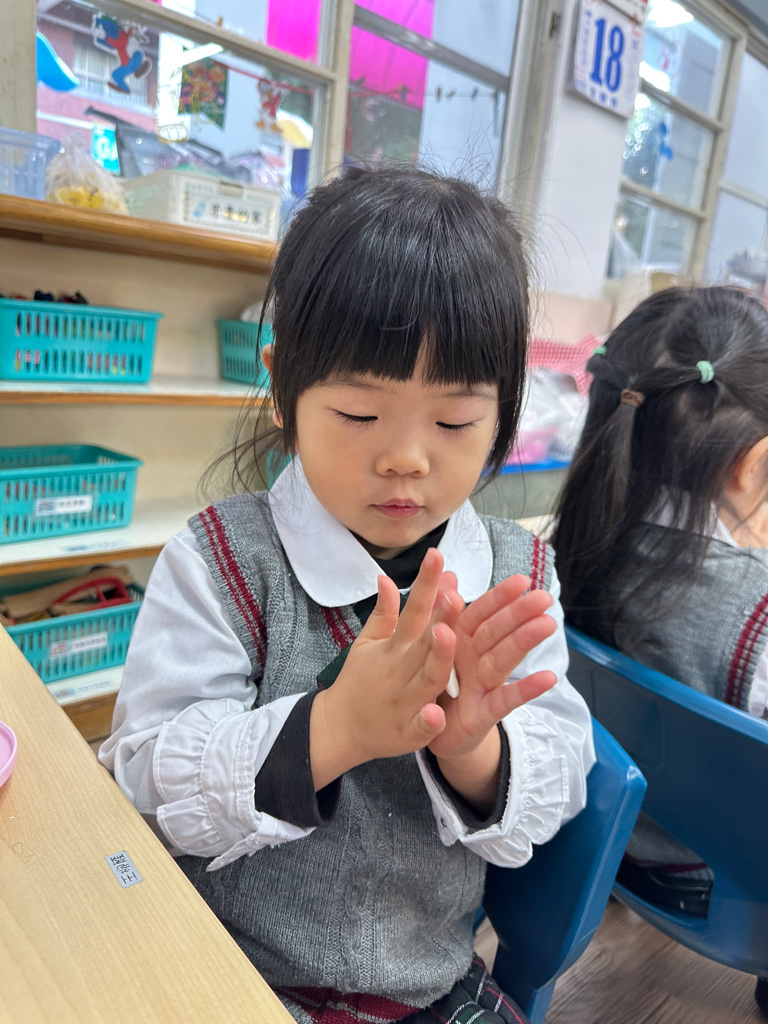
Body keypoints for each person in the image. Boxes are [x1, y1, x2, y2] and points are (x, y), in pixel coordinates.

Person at [100, 166, 595, 1024]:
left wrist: (475, 753)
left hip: (426, 989)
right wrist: (332, 731)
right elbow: (146, 776)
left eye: (454, 422)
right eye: (360, 415)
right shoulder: (223, 562)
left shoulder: (517, 576)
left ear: (504, 414)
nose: (406, 458)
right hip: (230, 973)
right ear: (283, 391)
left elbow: (559, 777)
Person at [552, 284, 768, 917]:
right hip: (724, 882)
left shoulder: (572, 545)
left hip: (604, 839)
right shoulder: (756, 615)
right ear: (753, 465)